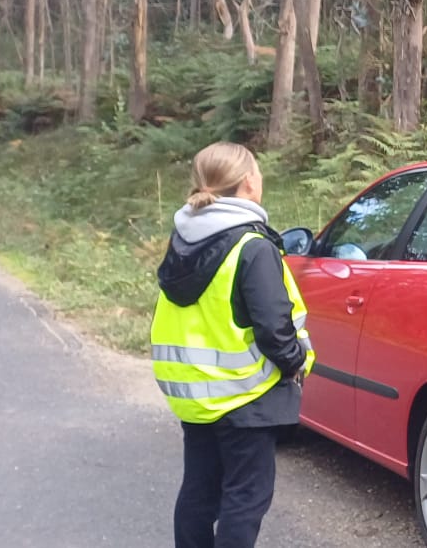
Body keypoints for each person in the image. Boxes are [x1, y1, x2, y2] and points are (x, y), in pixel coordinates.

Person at [151, 142, 315, 548]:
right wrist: (295, 362)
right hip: (247, 395)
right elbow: (274, 328)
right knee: (245, 499)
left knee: (198, 494)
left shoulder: (183, 240)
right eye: (258, 172)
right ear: (248, 182)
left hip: (196, 394)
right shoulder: (252, 246)